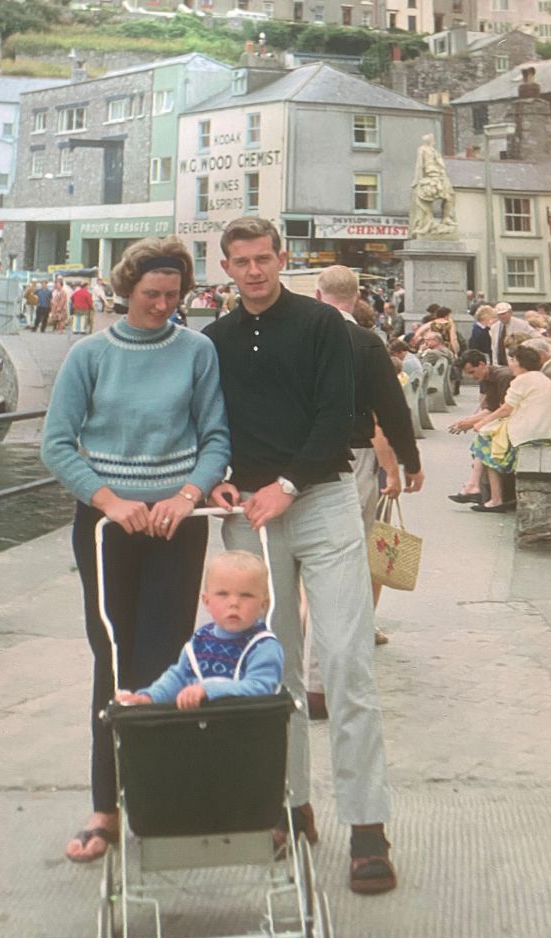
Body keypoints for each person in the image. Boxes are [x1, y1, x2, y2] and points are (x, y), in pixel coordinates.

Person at [205, 216, 397, 895]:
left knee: (346, 659)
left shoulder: (322, 328)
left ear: (283, 260)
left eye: (264, 258)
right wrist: (219, 477)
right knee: (271, 667)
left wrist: (287, 485)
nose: (254, 270)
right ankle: (290, 804)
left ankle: (368, 825)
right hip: (249, 512)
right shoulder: (215, 340)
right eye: (241, 261)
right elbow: (212, 424)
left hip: (317, 498)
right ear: (225, 267)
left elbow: (334, 414)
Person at [41, 235, 231, 862]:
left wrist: (187, 494)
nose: (164, 306)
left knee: (169, 658)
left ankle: (158, 797)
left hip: (177, 524)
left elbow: (215, 438)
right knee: (115, 661)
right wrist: (111, 501)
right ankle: (106, 806)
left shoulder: (196, 349)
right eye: (152, 295)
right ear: (127, 290)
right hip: (107, 528)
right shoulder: (90, 354)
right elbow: (59, 444)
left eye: (175, 295)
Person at [314, 265, 424, 653]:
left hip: (298, 455)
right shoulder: (367, 341)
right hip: (356, 453)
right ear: (358, 297)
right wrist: (409, 461)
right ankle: (352, 627)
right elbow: (390, 411)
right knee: (355, 543)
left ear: (317, 295)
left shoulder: (300, 337)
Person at [116, 550, 283, 709]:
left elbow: (260, 687)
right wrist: (150, 697)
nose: (234, 603)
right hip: (202, 729)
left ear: (263, 604)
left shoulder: (264, 646)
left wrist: (208, 690)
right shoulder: (200, 639)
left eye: (246, 595)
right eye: (223, 594)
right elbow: (179, 676)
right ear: (207, 601)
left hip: (249, 729)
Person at [470, 345, 551, 512]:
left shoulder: (522, 380)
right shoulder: (542, 378)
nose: (510, 363)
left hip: (530, 434)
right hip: (547, 431)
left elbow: (506, 408)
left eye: (512, 360)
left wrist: (482, 422)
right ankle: (476, 487)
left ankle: (492, 497)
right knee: (490, 438)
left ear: (520, 363)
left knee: (486, 442)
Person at [448, 350, 514, 504]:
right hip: (507, 418)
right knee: (485, 439)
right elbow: (492, 408)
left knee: (485, 439)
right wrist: (467, 421)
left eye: (472, 372)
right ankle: (474, 486)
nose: (472, 377)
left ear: (482, 364)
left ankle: (476, 487)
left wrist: (474, 423)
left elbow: (503, 408)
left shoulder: (503, 377)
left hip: (514, 419)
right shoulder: (488, 376)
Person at [409, 133, 457, 239]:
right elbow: (419, 165)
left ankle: (446, 218)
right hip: (430, 177)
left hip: (440, 177)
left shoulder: (435, 151)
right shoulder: (422, 149)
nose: (433, 141)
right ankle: (426, 224)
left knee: (450, 197)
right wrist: (417, 180)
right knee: (424, 201)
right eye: (432, 139)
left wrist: (443, 175)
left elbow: (440, 165)